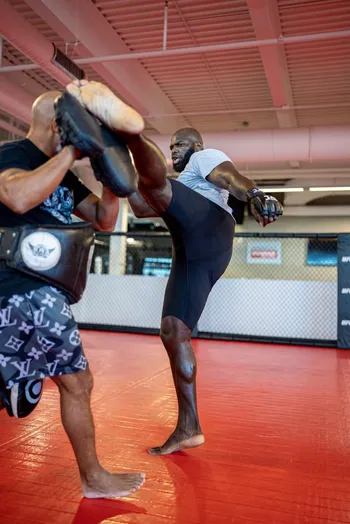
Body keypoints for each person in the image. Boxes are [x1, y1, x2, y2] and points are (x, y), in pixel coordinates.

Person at [65, 80, 283, 456]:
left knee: (156, 184)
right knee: (172, 331)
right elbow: (142, 208)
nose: (174, 150)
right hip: (195, 249)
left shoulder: (205, 158)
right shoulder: (180, 184)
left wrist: (257, 194)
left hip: (209, 226)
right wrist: (109, 170)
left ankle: (127, 133)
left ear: (195, 146)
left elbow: (230, 178)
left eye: (178, 145)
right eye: (171, 147)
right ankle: (189, 426)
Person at [0, 91, 145, 497]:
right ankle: (94, 478)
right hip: (18, 286)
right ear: (60, 125)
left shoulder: (64, 176)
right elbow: (17, 196)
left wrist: (110, 177)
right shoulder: (13, 153)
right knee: (77, 383)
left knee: (61, 384)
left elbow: (103, 220)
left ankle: (93, 477)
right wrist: (69, 153)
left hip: (44, 291)